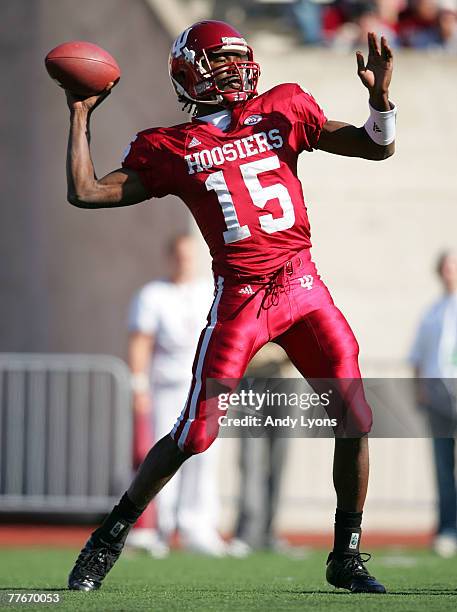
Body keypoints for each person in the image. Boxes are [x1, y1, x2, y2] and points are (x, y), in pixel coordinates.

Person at [65, 20, 396, 593]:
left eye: (239, 59)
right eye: (221, 61)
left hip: (302, 284)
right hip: (242, 297)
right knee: (195, 434)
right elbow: (87, 191)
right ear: (193, 71)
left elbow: (375, 146)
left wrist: (380, 101)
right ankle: (108, 538)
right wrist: (79, 111)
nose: (237, 69)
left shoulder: (283, 109)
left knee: (355, 416)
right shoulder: (171, 147)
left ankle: (346, 553)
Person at [127, 234, 225, 557]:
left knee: (204, 455)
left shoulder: (208, 291)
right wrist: (138, 385)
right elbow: (141, 340)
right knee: (162, 453)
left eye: (189, 255)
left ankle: (198, 526)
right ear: (170, 257)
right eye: (179, 256)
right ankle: (159, 527)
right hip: (166, 388)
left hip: (203, 388)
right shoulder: (154, 294)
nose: (184, 261)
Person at [409, 251, 457, 558]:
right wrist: (420, 391)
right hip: (439, 399)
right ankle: (447, 528)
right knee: (443, 467)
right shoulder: (432, 312)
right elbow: (418, 357)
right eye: (446, 266)